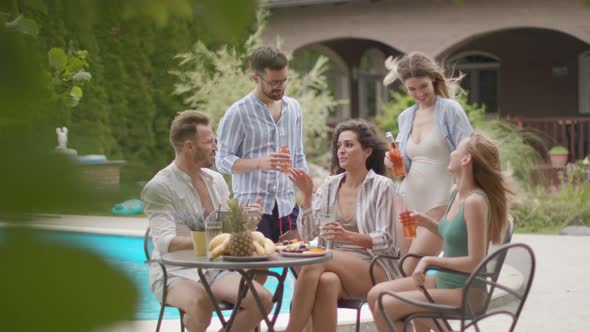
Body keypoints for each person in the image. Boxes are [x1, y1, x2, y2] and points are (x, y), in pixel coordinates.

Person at [141, 110, 272, 332]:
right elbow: (165, 242)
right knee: (201, 305)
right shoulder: (159, 187)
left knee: (262, 300)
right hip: (174, 271)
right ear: (189, 146)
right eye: (209, 142)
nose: (215, 147)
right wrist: (212, 239)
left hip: (214, 270)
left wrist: (246, 221)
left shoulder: (216, 180)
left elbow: (225, 226)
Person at [367, 133, 513, 332]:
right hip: (444, 281)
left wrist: (431, 261)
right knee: (376, 294)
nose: (451, 153)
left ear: (466, 159)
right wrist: (426, 222)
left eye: (456, 150)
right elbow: (455, 238)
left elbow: (475, 261)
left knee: (386, 305)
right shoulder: (456, 192)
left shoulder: (475, 202)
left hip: (466, 291)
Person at [285, 119, 401, 332]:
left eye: (349, 145)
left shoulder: (382, 186)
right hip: (333, 267)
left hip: (374, 268)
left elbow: (387, 241)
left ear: (367, 151)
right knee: (326, 282)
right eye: (339, 145)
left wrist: (349, 236)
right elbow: (308, 233)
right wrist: (308, 196)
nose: (341, 150)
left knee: (315, 259)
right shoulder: (330, 185)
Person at [382, 51, 473, 274]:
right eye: (412, 89)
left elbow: (471, 153)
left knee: (413, 269)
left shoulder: (450, 110)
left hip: (440, 201)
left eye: (423, 86)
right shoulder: (405, 117)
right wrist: (392, 162)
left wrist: (462, 194)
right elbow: (404, 170)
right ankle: (416, 309)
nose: (419, 93)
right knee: (402, 268)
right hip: (406, 201)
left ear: (433, 78)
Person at [216, 46, 308, 243]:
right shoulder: (238, 113)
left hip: (286, 203)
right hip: (252, 208)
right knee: (258, 272)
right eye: (274, 82)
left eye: (284, 80)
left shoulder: (294, 109)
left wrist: (307, 188)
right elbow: (221, 160)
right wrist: (260, 163)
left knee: (304, 261)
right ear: (255, 78)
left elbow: (298, 155)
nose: (281, 87)